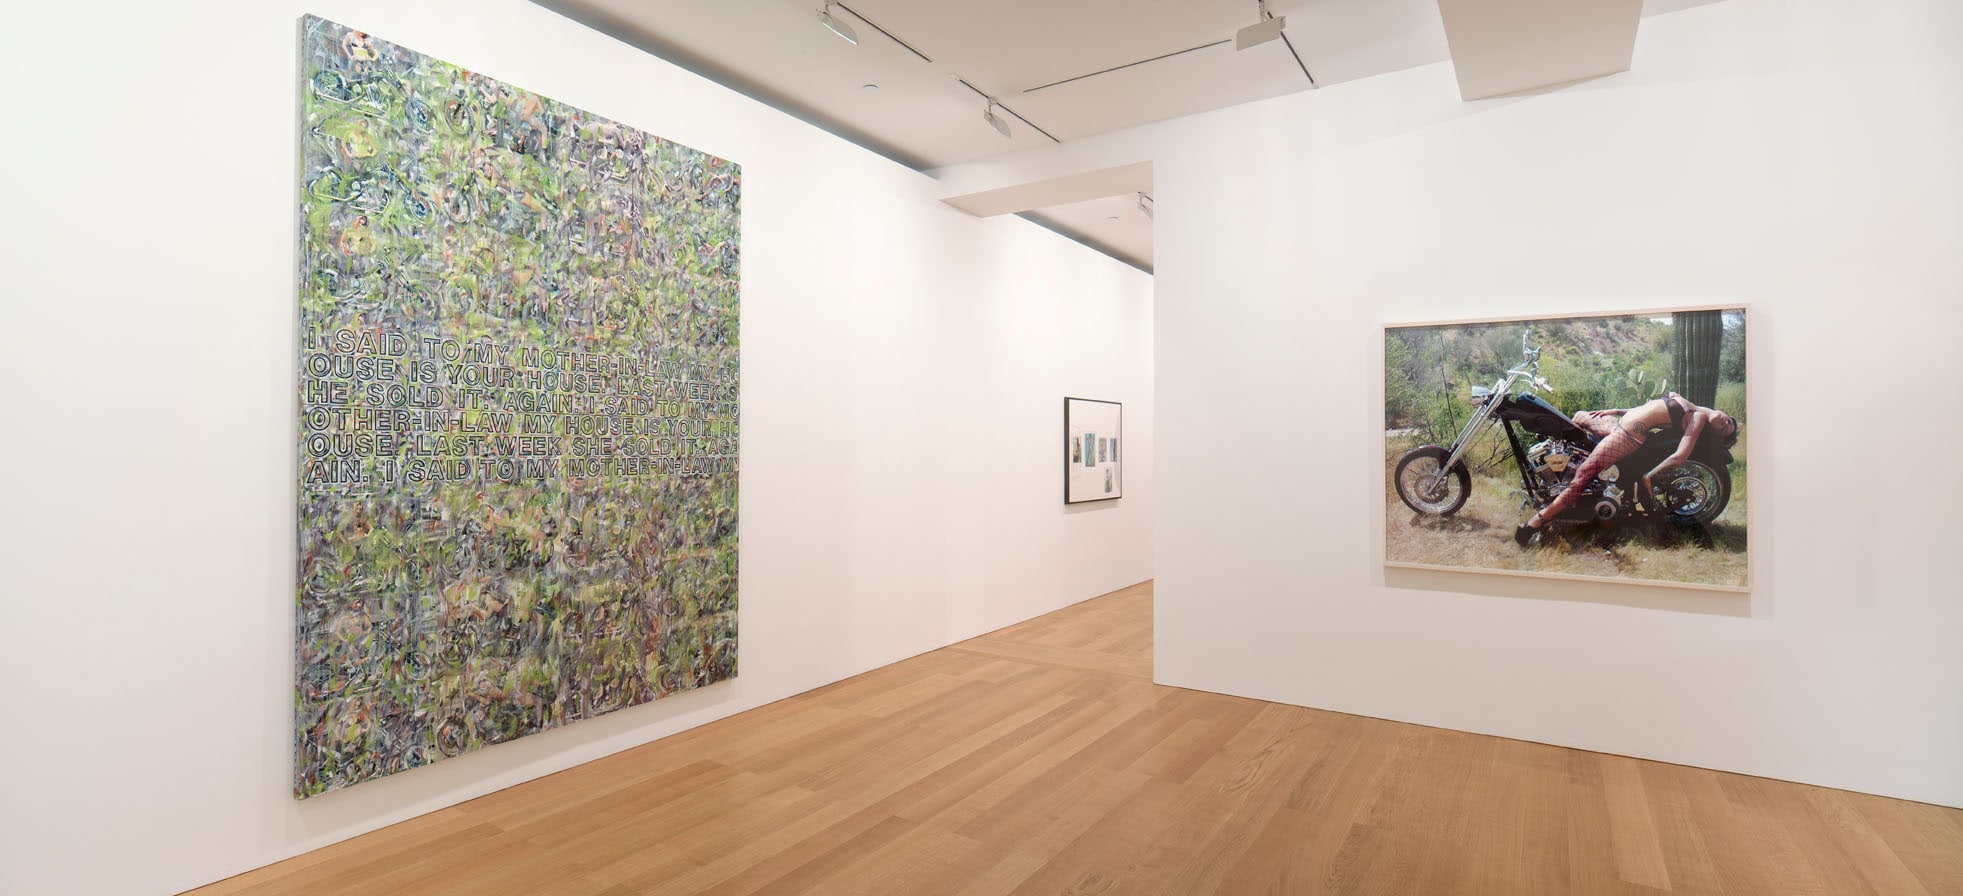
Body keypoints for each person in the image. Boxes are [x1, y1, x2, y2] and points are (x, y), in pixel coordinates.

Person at [1515, 392, 1738, 545]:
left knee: (1582, 476)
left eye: (1724, 429)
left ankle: (1537, 522)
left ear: (1713, 432)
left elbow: (1680, 456)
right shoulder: (1695, 406)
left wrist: (1649, 476)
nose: (1725, 422)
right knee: (1578, 418)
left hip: (1629, 436)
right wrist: (1613, 410)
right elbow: (1647, 408)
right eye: (1729, 421)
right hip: (1619, 426)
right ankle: (1556, 479)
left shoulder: (1698, 417)